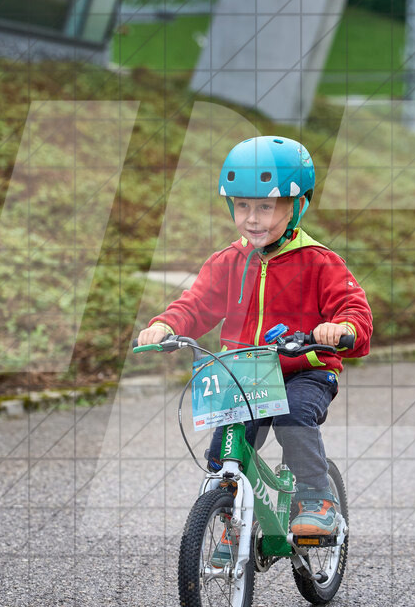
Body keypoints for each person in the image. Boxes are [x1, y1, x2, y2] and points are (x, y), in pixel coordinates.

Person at [135, 135, 372, 542]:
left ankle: (317, 500)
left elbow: (354, 310)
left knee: (294, 416)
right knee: (223, 450)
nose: (253, 218)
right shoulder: (228, 261)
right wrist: (168, 326)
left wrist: (342, 329)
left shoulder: (320, 261)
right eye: (242, 205)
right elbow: (195, 305)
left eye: (266, 206)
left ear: (297, 206)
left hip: (304, 371)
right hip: (245, 374)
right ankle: (231, 516)